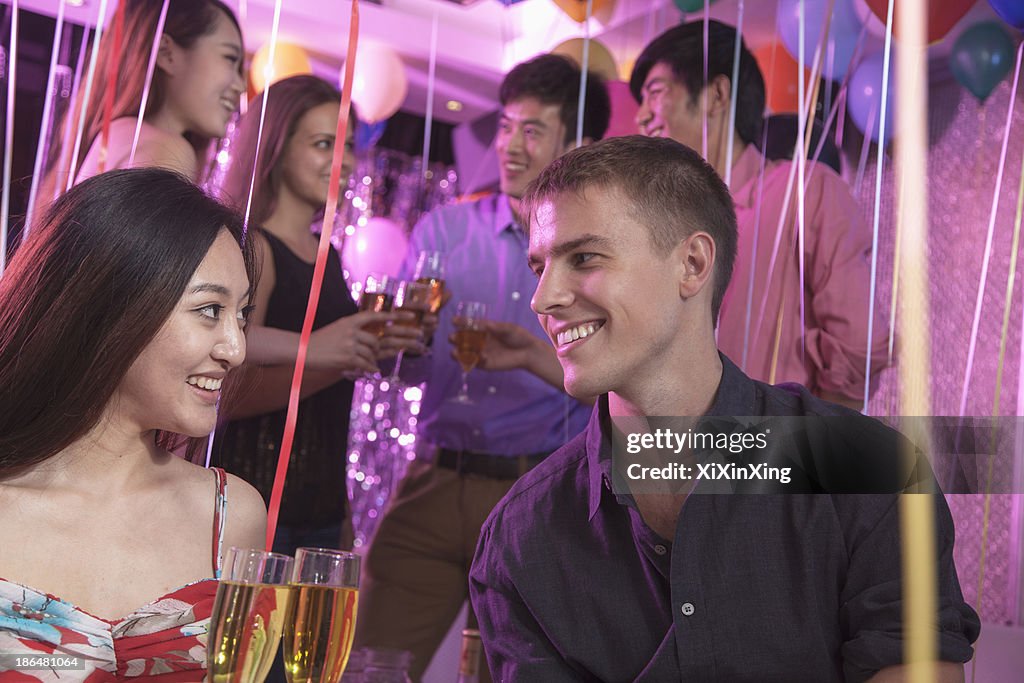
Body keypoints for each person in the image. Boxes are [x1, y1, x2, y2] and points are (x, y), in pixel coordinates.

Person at [469, 135, 979, 681]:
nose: (543, 299)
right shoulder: (520, 537)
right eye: (538, 267)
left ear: (692, 263)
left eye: (584, 257)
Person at [353, 54, 610, 682]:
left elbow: (618, 384)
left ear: (576, 143)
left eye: (532, 130)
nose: (509, 147)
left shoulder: (597, 254)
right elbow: (407, 367)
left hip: (540, 494)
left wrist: (529, 357)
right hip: (433, 481)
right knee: (369, 665)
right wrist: (391, 344)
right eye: (504, 127)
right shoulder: (444, 229)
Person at [0, 168, 267, 678]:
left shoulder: (230, 515)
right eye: (210, 310)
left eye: (242, 315)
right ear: (112, 308)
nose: (236, 349)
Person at [632, 20, 888, 408]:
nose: (641, 117)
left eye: (655, 93)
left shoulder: (805, 190)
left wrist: (809, 449)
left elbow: (859, 344)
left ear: (716, 94)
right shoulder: (658, 222)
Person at [213, 74, 412, 556]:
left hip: (321, 507)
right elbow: (230, 371)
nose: (341, 162)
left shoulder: (332, 256)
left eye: (347, 147)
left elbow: (327, 388)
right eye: (324, 144)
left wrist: (368, 347)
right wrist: (327, 355)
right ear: (277, 147)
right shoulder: (254, 246)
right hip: (253, 503)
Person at [39, 0, 244, 203]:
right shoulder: (167, 149)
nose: (241, 85)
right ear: (166, 53)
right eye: (230, 58)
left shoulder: (116, 133)